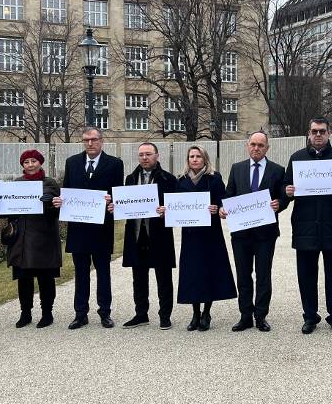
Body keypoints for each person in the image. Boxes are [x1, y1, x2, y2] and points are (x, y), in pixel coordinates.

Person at [284, 117, 332, 335]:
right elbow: (285, 189)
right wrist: (286, 191)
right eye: (314, 131)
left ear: (329, 134)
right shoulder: (296, 159)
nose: (318, 135)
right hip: (305, 225)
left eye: (322, 131)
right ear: (308, 133)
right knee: (306, 274)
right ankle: (310, 316)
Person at [53, 127, 123, 330]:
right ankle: (80, 313)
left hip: (102, 227)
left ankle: (105, 312)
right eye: (86, 140)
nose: (90, 144)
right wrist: (61, 201)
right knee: (80, 272)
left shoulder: (115, 164)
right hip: (79, 227)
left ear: (101, 141)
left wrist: (113, 201)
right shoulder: (72, 162)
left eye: (94, 140)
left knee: (103, 271)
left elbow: (118, 193)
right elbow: (66, 190)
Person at [220, 131, 286, 332]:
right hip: (241, 234)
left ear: (267, 148)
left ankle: (261, 315)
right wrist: (223, 208)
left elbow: (283, 196)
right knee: (243, 275)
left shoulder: (277, 170)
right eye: (253, 144)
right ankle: (245, 315)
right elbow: (229, 194)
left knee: (263, 275)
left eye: (261, 145)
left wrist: (280, 204)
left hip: (266, 234)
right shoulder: (237, 168)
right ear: (247, 145)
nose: (256, 148)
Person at [108, 142, 177, 330]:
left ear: (157, 156)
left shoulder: (167, 179)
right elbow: (125, 204)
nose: (144, 158)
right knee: (138, 276)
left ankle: (165, 315)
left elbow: (177, 207)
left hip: (159, 234)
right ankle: (141, 314)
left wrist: (167, 210)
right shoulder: (130, 179)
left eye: (148, 154)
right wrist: (116, 207)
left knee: (163, 277)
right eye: (141, 155)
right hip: (137, 234)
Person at [170, 145, 236, 331]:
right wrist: (169, 210)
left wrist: (217, 208)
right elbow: (175, 205)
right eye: (191, 156)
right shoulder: (181, 180)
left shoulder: (214, 179)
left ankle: (207, 313)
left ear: (205, 159)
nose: (195, 159)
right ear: (188, 160)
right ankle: (195, 313)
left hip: (210, 235)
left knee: (209, 272)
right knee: (192, 273)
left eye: (198, 156)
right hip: (190, 236)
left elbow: (223, 200)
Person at [7, 149, 62, 329]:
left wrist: (51, 202)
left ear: (40, 163)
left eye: (33, 161)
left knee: (45, 278)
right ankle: (25, 312)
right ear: (22, 165)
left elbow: (58, 209)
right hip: (21, 238)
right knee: (24, 279)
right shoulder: (16, 184)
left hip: (43, 237)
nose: (30, 165)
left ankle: (47, 313)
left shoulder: (50, 183)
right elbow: (9, 209)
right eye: (26, 162)